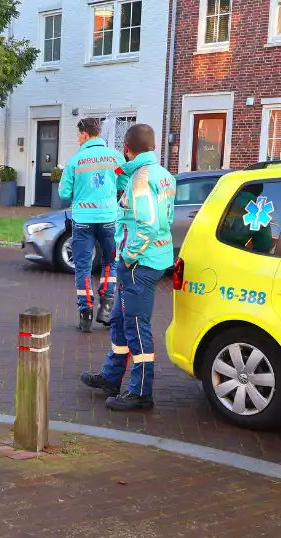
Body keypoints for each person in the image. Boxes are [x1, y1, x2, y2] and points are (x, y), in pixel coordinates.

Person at [80, 124, 176, 411]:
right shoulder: (164, 175)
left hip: (139, 264)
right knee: (121, 321)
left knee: (135, 326)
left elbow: (148, 223)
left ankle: (140, 392)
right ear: (154, 147)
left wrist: (130, 256)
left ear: (126, 148)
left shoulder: (140, 179)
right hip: (151, 260)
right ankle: (111, 377)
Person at [58, 118, 126, 332]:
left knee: (83, 268)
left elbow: (63, 193)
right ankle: (106, 310)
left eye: (78, 135)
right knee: (110, 263)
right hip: (109, 219)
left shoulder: (75, 161)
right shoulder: (115, 157)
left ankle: (85, 314)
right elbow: (124, 183)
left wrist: (81, 193)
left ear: (85, 134)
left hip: (83, 221)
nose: (78, 139)